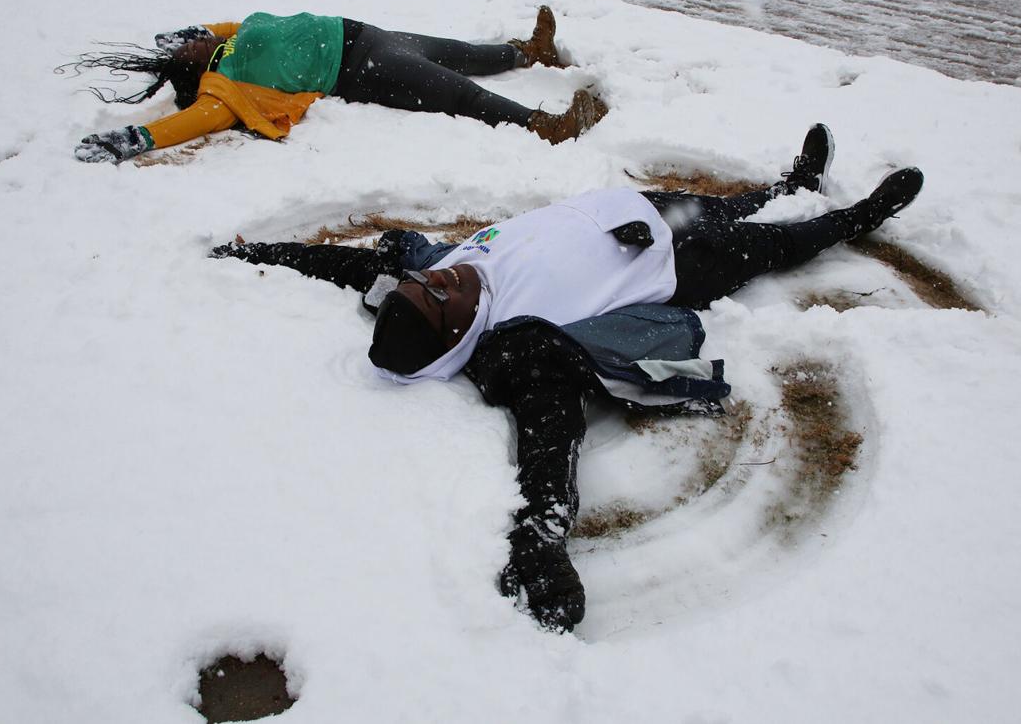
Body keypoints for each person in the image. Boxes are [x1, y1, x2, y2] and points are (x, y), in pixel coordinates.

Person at [210, 124, 924, 632]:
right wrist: (540, 538)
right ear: (455, 336)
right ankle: (858, 217)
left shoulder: (434, 274)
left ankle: (789, 182)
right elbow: (548, 430)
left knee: (730, 203)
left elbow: (343, 265)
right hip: (676, 266)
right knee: (774, 244)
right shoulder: (512, 346)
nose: (439, 277)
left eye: (422, 283)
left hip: (634, 212)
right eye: (437, 296)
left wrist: (256, 254)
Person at [65, 7, 606, 163]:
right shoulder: (224, 86)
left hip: (368, 34)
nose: (186, 46)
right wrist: (139, 138)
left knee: (464, 53)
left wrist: (203, 27)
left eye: (186, 43)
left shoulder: (230, 41)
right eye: (184, 53)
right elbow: (197, 120)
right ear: (194, 72)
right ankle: (548, 127)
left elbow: (231, 23)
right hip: (361, 70)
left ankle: (529, 53)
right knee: (459, 94)